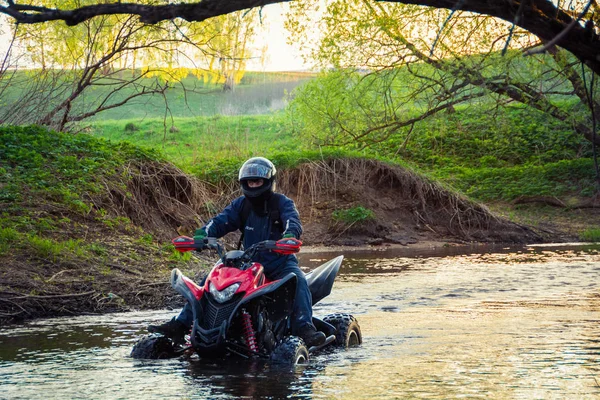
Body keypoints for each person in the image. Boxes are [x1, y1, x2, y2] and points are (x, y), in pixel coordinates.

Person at [148, 157, 326, 347]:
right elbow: (220, 221)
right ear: (244, 183)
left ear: (268, 182)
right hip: (250, 263)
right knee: (209, 282)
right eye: (250, 181)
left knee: (297, 280)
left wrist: (290, 235)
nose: (254, 184)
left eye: (257, 181)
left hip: (280, 263)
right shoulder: (242, 205)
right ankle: (181, 325)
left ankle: (304, 328)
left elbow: (292, 221)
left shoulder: (282, 203)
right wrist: (202, 235)